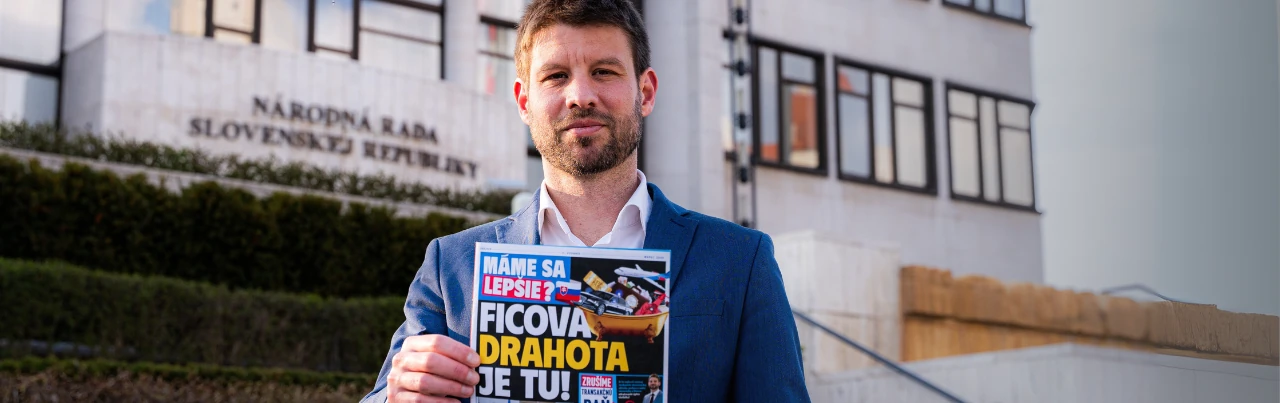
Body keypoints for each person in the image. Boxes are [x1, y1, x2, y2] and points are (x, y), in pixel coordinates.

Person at [360, 0, 810, 401]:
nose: (580, 96)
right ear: (524, 101)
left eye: (604, 72)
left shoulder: (739, 262)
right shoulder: (451, 266)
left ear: (645, 92)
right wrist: (397, 398)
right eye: (556, 76)